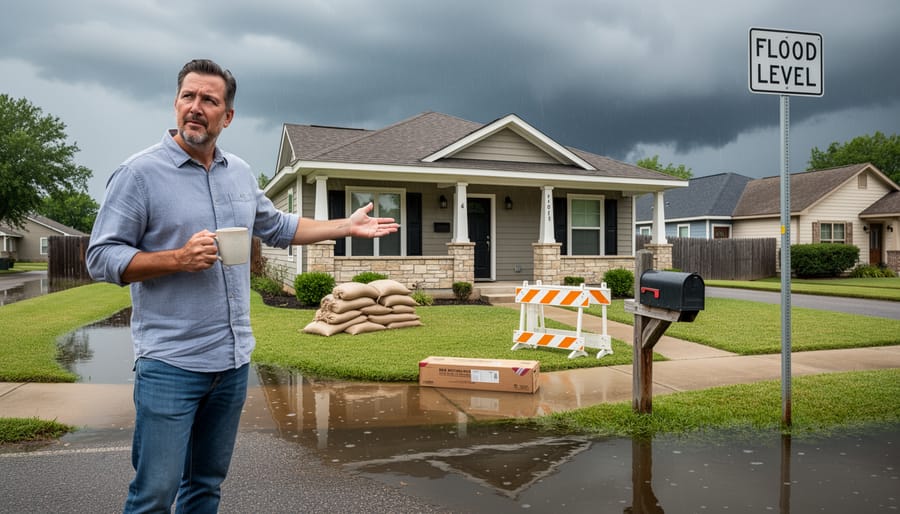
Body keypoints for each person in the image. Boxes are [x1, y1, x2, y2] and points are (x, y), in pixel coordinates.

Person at [87, 58, 398, 513]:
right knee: (154, 492)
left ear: (227, 116)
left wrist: (344, 227)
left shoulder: (240, 174)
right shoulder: (139, 174)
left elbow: (277, 226)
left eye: (209, 100)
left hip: (230, 363)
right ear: (175, 103)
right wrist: (177, 258)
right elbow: (101, 256)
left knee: (206, 486)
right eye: (188, 96)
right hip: (170, 363)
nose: (196, 107)